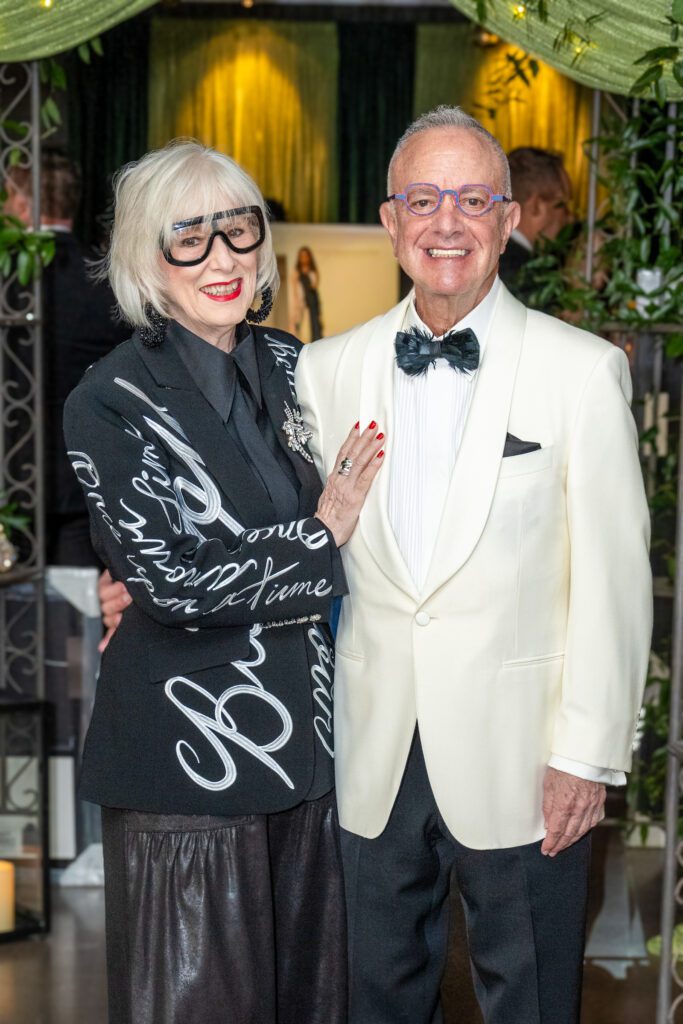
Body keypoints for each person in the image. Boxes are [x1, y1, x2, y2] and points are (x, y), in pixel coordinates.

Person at [294, 106, 652, 1024]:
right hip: (372, 756)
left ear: (505, 221)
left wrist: (586, 755)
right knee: (372, 1002)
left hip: (528, 760)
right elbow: (294, 541)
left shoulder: (580, 372)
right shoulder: (325, 371)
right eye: (422, 198)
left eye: (470, 199)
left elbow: (613, 584)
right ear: (389, 220)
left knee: (530, 1002)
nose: (444, 222)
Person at [62, 140, 384, 1024]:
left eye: (237, 232)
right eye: (187, 240)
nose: (221, 259)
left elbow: (372, 525)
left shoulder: (293, 368)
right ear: (143, 260)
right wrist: (319, 540)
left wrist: (324, 542)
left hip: (309, 753)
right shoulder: (110, 400)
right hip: (187, 759)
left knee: (311, 1005)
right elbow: (171, 583)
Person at [4, 150, 128, 566]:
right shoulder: (107, 283)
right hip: (86, 476)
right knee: (79, 616)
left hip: (11, 472)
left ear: (21, 203)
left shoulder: (8, 285)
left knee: (15, 615)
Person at [499, 146, 573, 301]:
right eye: (563, 205)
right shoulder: (523, 272)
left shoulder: (491, 254)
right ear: (536, 207)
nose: (570, 217)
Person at [289, 245, 323, 342]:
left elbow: (314, 289)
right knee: (299, 328)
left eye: (306, 256)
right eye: (302, 256)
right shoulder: (296, 273)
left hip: (311, 305)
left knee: (313, 327)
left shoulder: (313, 272)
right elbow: (294, 290)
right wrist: (297, 305)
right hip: (299, 304)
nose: (304, 258)